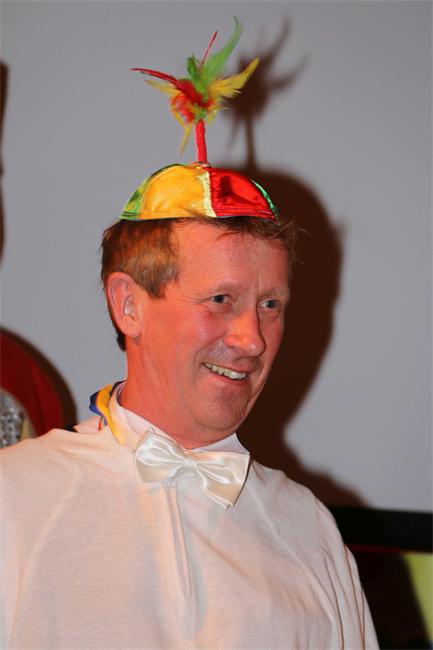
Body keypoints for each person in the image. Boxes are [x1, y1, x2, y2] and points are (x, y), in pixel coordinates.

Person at [0, 19, 378, 649]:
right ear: (129, 305)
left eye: (271, 305)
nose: (252, 340)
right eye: (221, 300)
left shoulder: (307, 527)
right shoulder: (14, 500)